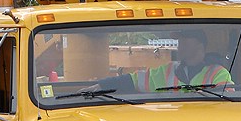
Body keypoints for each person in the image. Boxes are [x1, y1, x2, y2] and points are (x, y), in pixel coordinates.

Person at [96, 30, 233, 92]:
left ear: (200, 45)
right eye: (179, 41)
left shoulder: (218, 73)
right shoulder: (168, 70)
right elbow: (133, 80)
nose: (180, 45)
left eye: (185, 41)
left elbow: (227, 98)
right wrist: (101, 86)